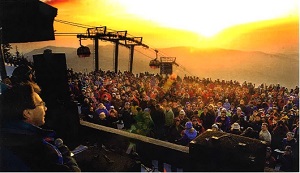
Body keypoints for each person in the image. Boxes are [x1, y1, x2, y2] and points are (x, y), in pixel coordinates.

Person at [0, 83, 80, 171]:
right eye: (41, 104)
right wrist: (65, 153)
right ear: (27, 113)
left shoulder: (6, 136)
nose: (45, 108)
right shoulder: (39, 151)